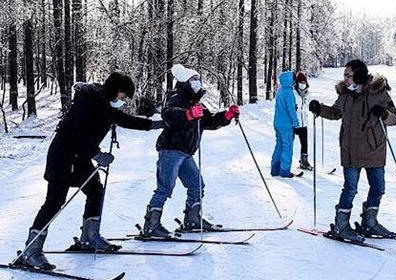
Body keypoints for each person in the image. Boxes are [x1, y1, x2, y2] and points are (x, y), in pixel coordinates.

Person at [17, 73, 164, 270]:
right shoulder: (89, 100)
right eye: (123, 95)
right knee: (54, 201)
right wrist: (97, 154)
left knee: (95, 191)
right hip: (64, 156)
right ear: (114, 89)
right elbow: (78, 130)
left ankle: (89, 237)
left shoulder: (106, 105)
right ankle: (31, 251)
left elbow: (126, 120)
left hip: (81, 158)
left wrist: (157, 124)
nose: (123, 100)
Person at [142, 64, 239, 237]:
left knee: (196, 184)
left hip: (186, 153)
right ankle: (151, 225)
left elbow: (209, 122)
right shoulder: (175, 98)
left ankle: (193, 219)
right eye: (193, 79)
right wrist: (188, 114)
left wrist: (227, 116)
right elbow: (168, 115)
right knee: (165, 188)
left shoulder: (197, 104)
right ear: (185, 82)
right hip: (171, 150)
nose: (197, 82)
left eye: (198, 79)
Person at [309, 59, 396, 242]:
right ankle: (341, 226)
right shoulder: (345, 94)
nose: (345, 79)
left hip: (374, 148)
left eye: (348, 75)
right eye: (344, 75)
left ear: (358, 75)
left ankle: (370, 222)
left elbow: (394, 118)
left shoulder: (378, 92)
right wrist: (320, 109)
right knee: (350, 189)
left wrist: (383, 114)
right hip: (350, 148)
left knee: (378, 188)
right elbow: (335, 113)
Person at [271, 71, 300, 178]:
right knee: (287, 147)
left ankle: (275, 169)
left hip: (277, 123)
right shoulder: (289, 92)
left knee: (279, 146)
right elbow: (291, 110)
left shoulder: (280, 90)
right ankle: (284, 171)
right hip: (286, 125)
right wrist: (296, 123)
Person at [294, 71, 312, 170]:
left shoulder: (306, 93)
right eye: (300, 82)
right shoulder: (293, 92)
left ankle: (304, 161)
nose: (302, 84)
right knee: (289, 143)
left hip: (303, 122)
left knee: (304, 143)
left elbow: (308, 105)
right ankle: (285, 163)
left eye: (304, 82)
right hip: (294, 122)